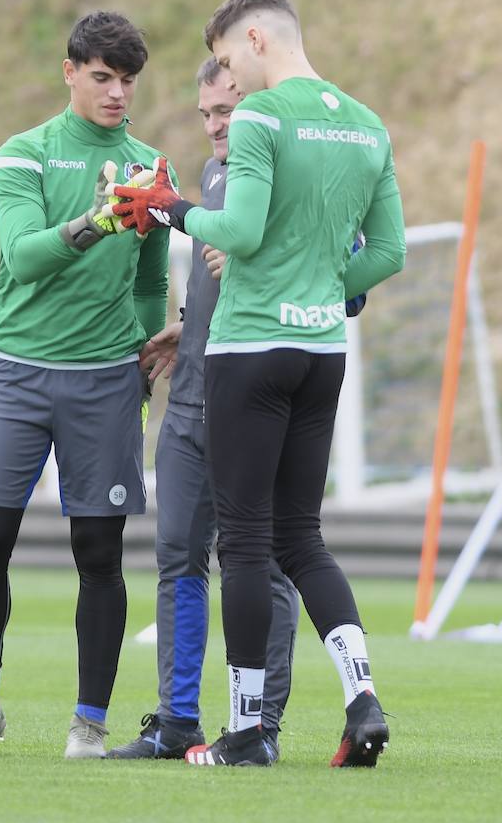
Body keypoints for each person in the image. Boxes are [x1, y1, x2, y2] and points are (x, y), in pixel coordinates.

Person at [113, 0, 406, 767]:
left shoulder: (264, 118)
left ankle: (245, 730)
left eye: (224, 60)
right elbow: (387, 254)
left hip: (250, 350)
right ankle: (363, 697)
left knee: (242, 542)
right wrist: (325, 285)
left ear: (255, 39)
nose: (228, 82)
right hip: (322, 353)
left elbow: (237, 231)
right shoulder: (367, 124)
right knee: (302, 538)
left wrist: (172, 208)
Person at [0, 10, 175, 760]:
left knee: (99, 553)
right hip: (15, 369)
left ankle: (89, 725)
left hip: (104, 379)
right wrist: (98, 220)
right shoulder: (21, 156)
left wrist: (141, 349)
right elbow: (24, 256)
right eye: (102, 77)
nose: (116, 93)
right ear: (69, 72)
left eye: (127, 80)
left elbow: (149, 280)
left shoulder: (148, 166)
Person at [106, 57, 337, 762]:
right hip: (190, 402)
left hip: (255, 403)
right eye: (206, 113)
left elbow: (342, 287)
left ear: (259, 106)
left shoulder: (297, 177)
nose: (215, 126)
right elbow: (214, 277)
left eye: (227, 112)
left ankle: (259, 726)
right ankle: (178, 720)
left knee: (263, 564)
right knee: (177, 556)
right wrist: (187, 322)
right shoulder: (211, 175)